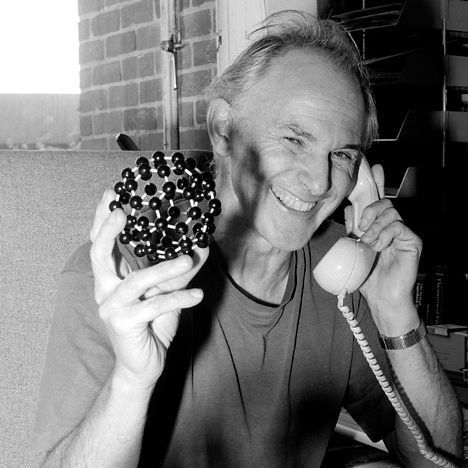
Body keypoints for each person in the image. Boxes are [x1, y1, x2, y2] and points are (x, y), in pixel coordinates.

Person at [32, 10, 462, 467]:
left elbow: (437, 458)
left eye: (341, 154)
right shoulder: (125, 281)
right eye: (294, 139)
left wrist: (395, 310)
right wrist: (132, 382)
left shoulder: (343, 277)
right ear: (223, 130)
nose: (318, 183)